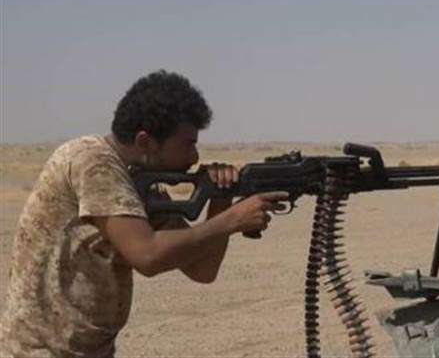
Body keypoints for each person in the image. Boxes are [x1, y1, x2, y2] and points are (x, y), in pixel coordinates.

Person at [0, 70, 287, 357]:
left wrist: (221, 198)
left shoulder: (141, 185)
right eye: (187, 144)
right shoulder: (92, 161)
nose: (194, 157)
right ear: (145, 142)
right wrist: (233, 219)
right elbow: (147, 256)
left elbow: (203, 270)